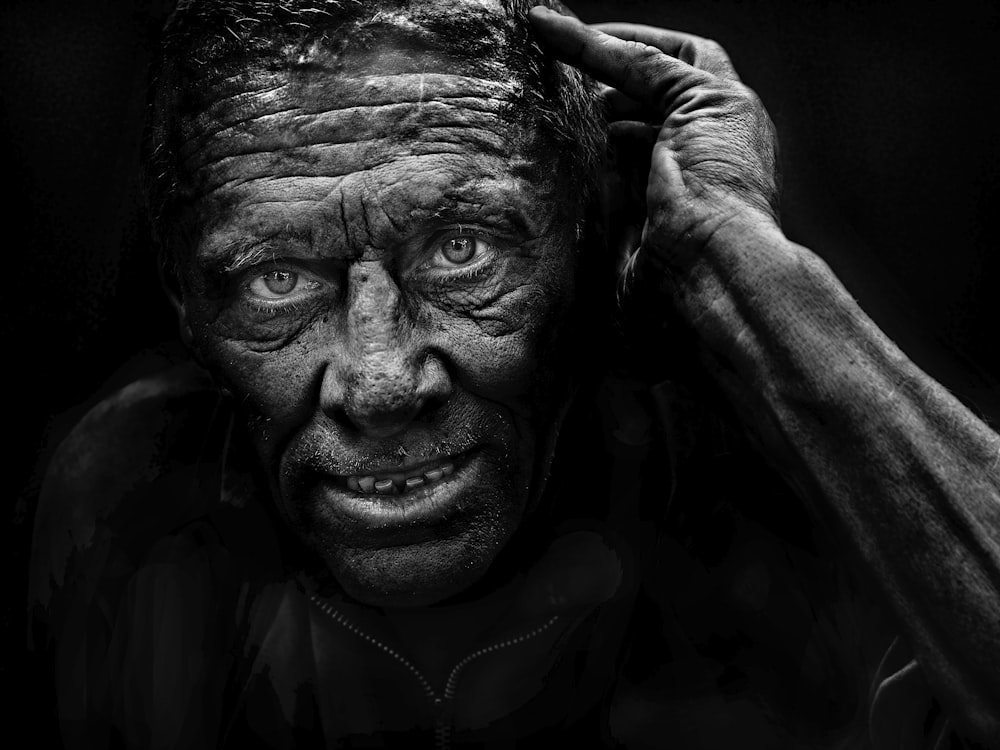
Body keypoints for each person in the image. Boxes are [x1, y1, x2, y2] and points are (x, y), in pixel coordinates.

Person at [27, 0, 1000, 747]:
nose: (379, 382)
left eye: (461, 251)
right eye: (276, 278)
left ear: (587, 237)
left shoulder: (805, 497)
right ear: (186, 301)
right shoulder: (129, 496)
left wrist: (733, 260)